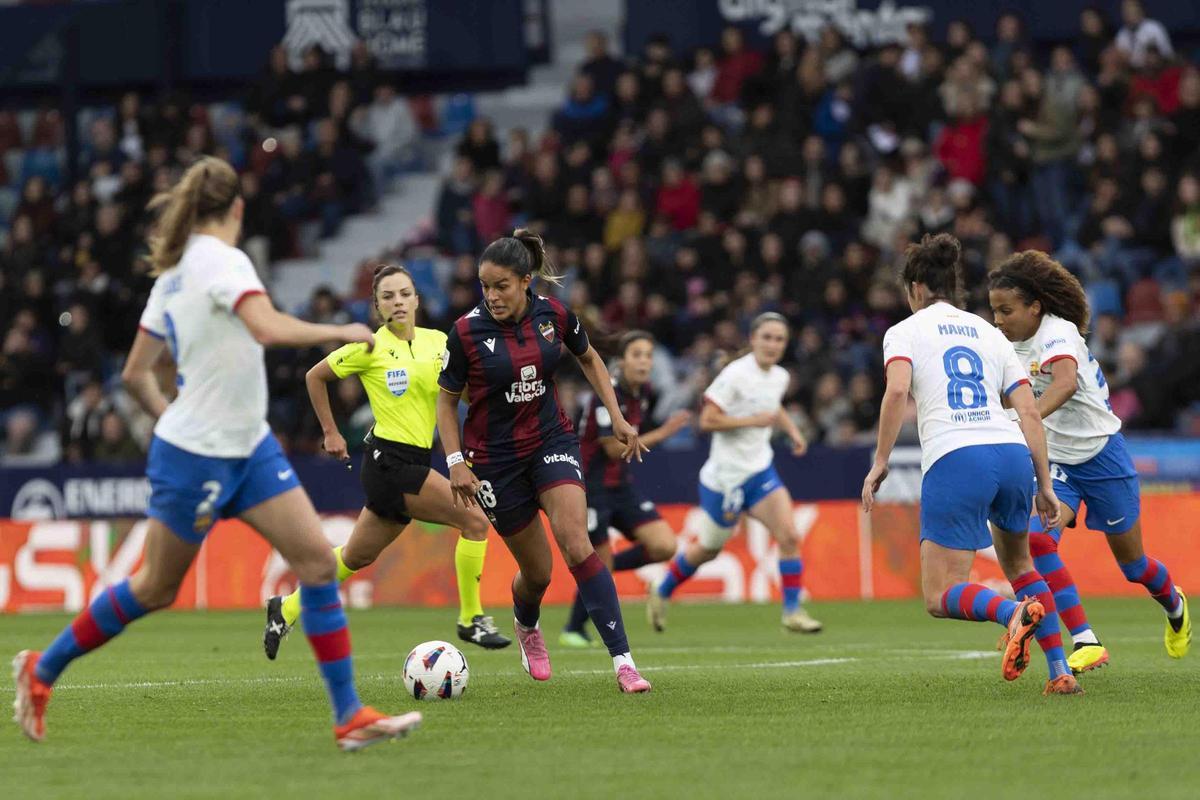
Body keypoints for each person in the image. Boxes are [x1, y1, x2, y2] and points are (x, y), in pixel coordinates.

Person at [11, 157, 421, 750]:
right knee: (155, 588)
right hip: (199, 455)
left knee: (314, 563)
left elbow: (134, 374)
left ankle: (349, 716)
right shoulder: (225, 262)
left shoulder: (172, 276)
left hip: (247, 446)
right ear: (237, 208)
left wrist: (169, 417)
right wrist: (340, 331)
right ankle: (41, 669)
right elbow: (266, 328)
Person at [861, 233, 1081, 696]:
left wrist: (881, 460)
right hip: (1012, 454)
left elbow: (897, 391)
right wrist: (1044, 484)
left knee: (940, 594)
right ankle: (1060, 671)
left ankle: (1011, 613)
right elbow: (1028, 411)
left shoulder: (904, 331)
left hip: (957, 456)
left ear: (916, 288)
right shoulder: (989, 332)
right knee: (1022, 566)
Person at [436, 229, 652, 693]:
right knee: (538, 574)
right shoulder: (466, 332)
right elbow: (446, 400)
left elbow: (590, 358)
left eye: (501, 286)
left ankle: (624, 663)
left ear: (525, 281)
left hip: (550, 439)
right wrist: (455, 461)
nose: (492, 296)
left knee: (577, 543)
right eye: (485, 286)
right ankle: (527, 625)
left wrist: (616, 416)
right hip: (494, 461)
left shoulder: (554, 315)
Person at [263, 264, 511, 661]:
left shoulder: (438, 342)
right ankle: (471, 618)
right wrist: (331, 432)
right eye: (388, 296)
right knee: (476, 521)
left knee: (354, 557)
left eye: (404, 294)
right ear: (377, 307)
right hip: (389, 463)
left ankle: (286, 608)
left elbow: (458, 393)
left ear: (417, 300)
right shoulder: (369, 347)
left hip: (414, 459)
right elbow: (314, 376)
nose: (398, 302)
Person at [988, 251, 1190, 671]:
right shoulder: (1003, 347)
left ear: (1035, 307)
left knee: (1134, 566)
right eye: (994, 311)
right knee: (1039, 541)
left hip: (1103, 458)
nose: (998, 320)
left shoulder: (1057, 332)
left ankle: (1174, 604)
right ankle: (1085, 638)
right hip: (1059, 462)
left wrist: (1025, 418)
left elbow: (1063, 383)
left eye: (1006, 311)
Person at [647, 312, 824, 634]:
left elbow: (771, 405)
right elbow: (707, 420)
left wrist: (792, 430)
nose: (772, 344)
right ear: (753, 339)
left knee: (789, 535)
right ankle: (663, 589)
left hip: (760, 472)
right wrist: (751, 421)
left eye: (779, 339)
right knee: (708, 549)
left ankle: (792, 612)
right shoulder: (734, 375)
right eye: (767, 337)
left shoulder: (780, 376)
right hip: (725, 481)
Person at [560, 330, 693, 647]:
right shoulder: (606, 394)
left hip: (620, 485)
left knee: (664, 546)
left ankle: (602, 570)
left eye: (648, 355)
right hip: (590, 486)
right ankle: (573, 629)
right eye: (637, 355)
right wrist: (664, 433)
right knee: (599, 562)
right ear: (621, 362)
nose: (644, 362)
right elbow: (614, 449)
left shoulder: (642, 392)